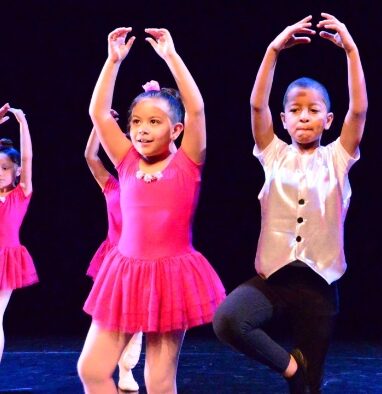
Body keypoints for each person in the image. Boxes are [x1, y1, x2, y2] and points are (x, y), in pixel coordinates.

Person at [213, 13, 367, 394]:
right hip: (274, 280)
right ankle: (289, 366)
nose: (303, 117)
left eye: (313, 111)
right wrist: (273, 50)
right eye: (295, 111)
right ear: (283, 118)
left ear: (328, 120)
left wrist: (351, 50)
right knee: (229, 320)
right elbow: (255, 106)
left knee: (308, 389)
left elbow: (359, 110)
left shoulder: (338, 158)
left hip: (319, 284)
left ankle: (301, 377)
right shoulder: (272, 154)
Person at [77, 27, 225, 393]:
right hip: (124, 274)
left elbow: (197, 108)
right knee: (93, 369)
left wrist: (171, 57)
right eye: (136, 123)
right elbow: (97, 112)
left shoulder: (187, 164)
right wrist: (112, 63)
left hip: (171, 277)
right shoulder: (126, 162)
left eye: (154, 122)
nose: (142, 131)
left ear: (175, 130)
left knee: (158, 381)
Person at [84, 112, 142, 392]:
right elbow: (91, 157)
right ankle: (106, 362)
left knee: (139, 317)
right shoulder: (111, 185)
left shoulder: (150, 182)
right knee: (110, 314)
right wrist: (99, 125)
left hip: (143, 259)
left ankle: (127, 367)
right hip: (113, 258)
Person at [0, 104, 37, 363]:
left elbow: (27, 158)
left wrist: (23, 125)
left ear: (16, 171)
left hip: (6, 260)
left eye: (4, 167)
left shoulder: (20, 194)